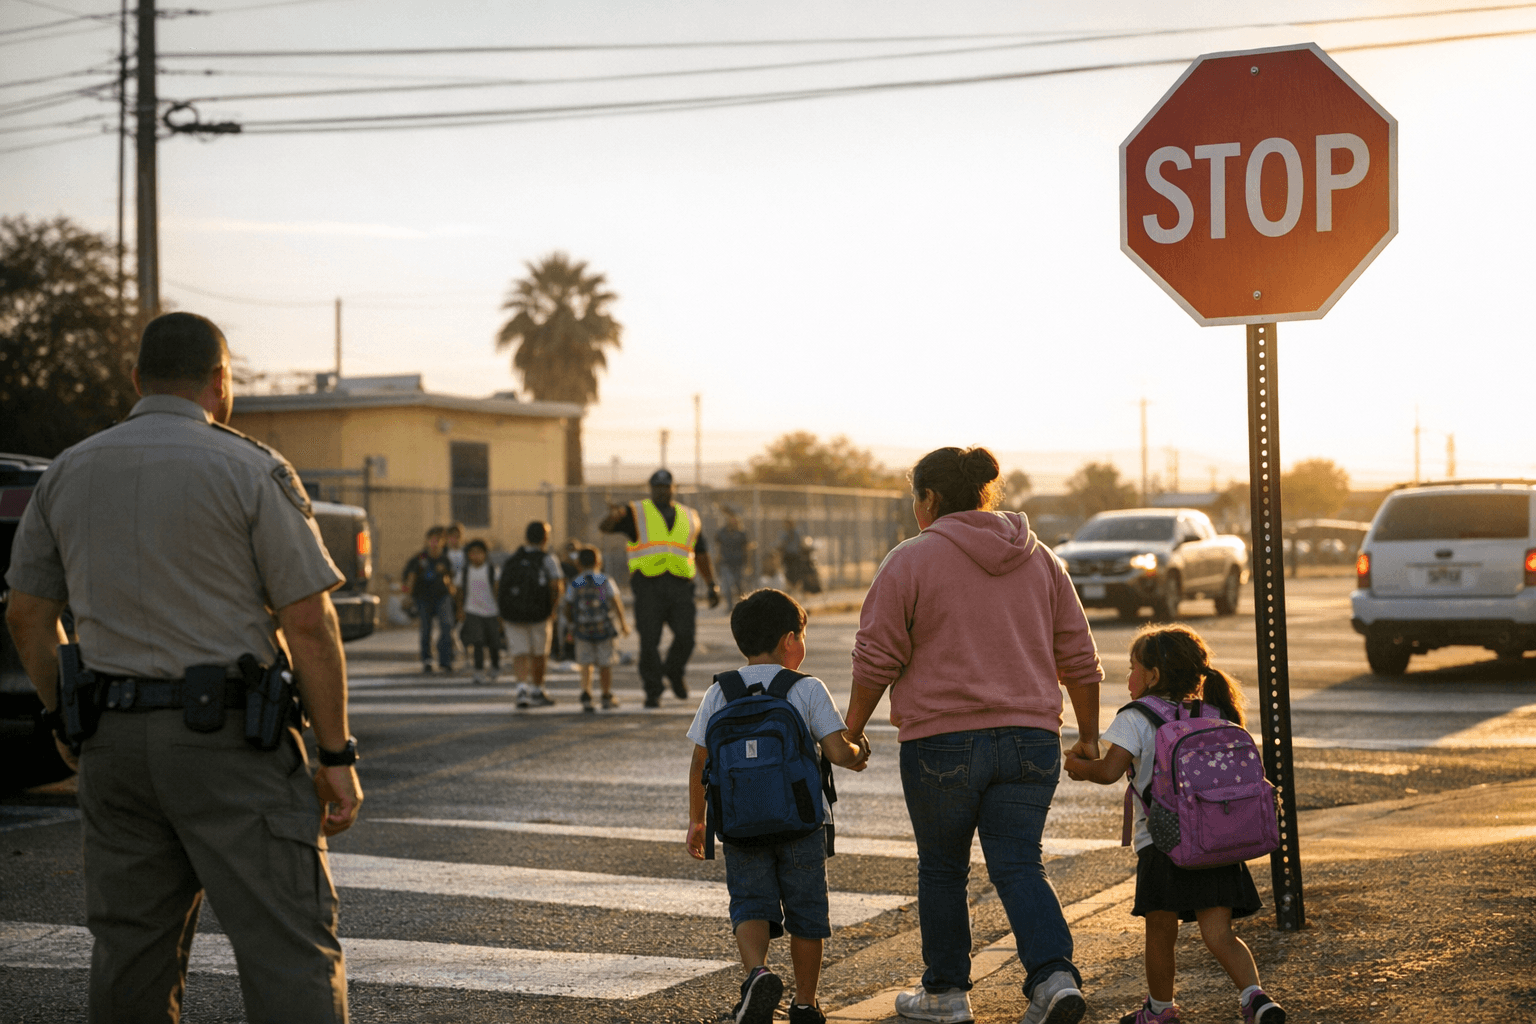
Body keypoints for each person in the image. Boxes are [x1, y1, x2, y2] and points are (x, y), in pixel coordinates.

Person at [3, 311, 362, 1023]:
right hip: (234, 747)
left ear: (135, 380)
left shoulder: (70, 469)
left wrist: (66, 720)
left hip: (112, 746)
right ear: (221, 382)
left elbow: (26, 615)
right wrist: (334, 754)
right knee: (288, 952)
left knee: (131, 959)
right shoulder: (252, 467)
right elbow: (309, 626)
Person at [844, 446, 1104, 1024]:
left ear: (929, 498)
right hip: (1031, 740)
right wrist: (1087, 737)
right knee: (1019, 863)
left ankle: (946, 993)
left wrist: (851, 731)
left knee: (943, 868)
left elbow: (877, 656)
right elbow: (1079, 659)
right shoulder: (1043, 561)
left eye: (915, 497)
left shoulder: (910, 560)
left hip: (941, 742)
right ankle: (1054, 979)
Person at [1064, 625, 1283, 1024]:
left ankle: (1160, 1011)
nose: (1128, 677)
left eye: (1132, 668)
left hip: (1163, 845)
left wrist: (1078, 767)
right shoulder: (1216, 712)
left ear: (1153, 676)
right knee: (1219, 934)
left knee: (1161, 931)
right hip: (1217, 840)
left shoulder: (1137, 716)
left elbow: (1110, 771)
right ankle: (1256, 998)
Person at [686, 589, 870, 1024]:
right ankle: (805, 1003)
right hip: (801, 824)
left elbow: (700, 759)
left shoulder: (721, 691)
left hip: (738, 822)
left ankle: (758, 975)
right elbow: (839, 753)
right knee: (807, 912)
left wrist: (698, 820)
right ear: (790, 640)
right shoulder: (806, 688)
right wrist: (859, 751)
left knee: (749, 902)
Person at [599, 468, 720, 708]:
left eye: (667, 487)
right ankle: (653, 690)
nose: (662, 491)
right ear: (651, 488)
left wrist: (711, 584)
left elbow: (702, 552)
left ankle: (674, 672)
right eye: (657, 487)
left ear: (674, 488)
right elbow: (606, 527)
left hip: (681, 585)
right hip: (648, 585)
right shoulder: (636, 512)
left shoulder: (690, 516)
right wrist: (613, 517)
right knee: (649, 641)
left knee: (686, 637)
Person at [498, 520, 565, 708]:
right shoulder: (548, 559)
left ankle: (521, 689)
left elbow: (499, 585)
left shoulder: (512, 560)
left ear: (526, 537)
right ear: (545, 537)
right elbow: (556, 585)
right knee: (539, 653)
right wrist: (552, 609)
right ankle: (537, 688)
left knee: (519, 653)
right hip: (540, 614)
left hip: (513, 614)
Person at [562, 546, 630, 711]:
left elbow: (567, 605)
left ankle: (586, 693)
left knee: (585, 664)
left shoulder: (576, 581)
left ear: (578, 564)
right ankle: (606, 695)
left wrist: (571, 624)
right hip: (604, 629)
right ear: (599, 562)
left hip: (582, 630)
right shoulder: (604, 580)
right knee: (605, 663)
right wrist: (623, 624)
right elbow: (616, 602)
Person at [402, 525, 456, 674]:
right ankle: (427, 659)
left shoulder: (445, 559)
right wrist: (408, 596)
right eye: (432, 539)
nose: (435, 543)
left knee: (446, 625)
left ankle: (445, 660)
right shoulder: (419, 559)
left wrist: (453, 595)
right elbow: (410, 578)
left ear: (443, 542)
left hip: (442, 596)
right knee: (426, 629)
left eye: (438, 540)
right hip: (423, 597)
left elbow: (450, 578)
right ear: (427, 541)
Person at [457, 539, 502, 685]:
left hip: (491, 611)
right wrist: (460, 609)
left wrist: (500, 611)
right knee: (478, 641)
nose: (476, 556)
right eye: (473, 553)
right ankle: (478, 670)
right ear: (469, 555)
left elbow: (497, 590)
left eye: (479, 553)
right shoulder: (464, 572)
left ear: (485, 554)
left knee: (494, 642)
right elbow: (459, 592)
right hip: (472, 611)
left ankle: (495, 665)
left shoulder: (492, 570)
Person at [715, 511, 752, 609]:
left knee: (739, 585)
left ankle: (743, 605)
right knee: (727, 586)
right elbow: (718, 547)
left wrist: (748, 564)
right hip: (726, 563)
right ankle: (729, 606)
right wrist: (717, 560)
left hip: (738, 563)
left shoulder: (741, 534)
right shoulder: (722, 532)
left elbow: (746, 549)